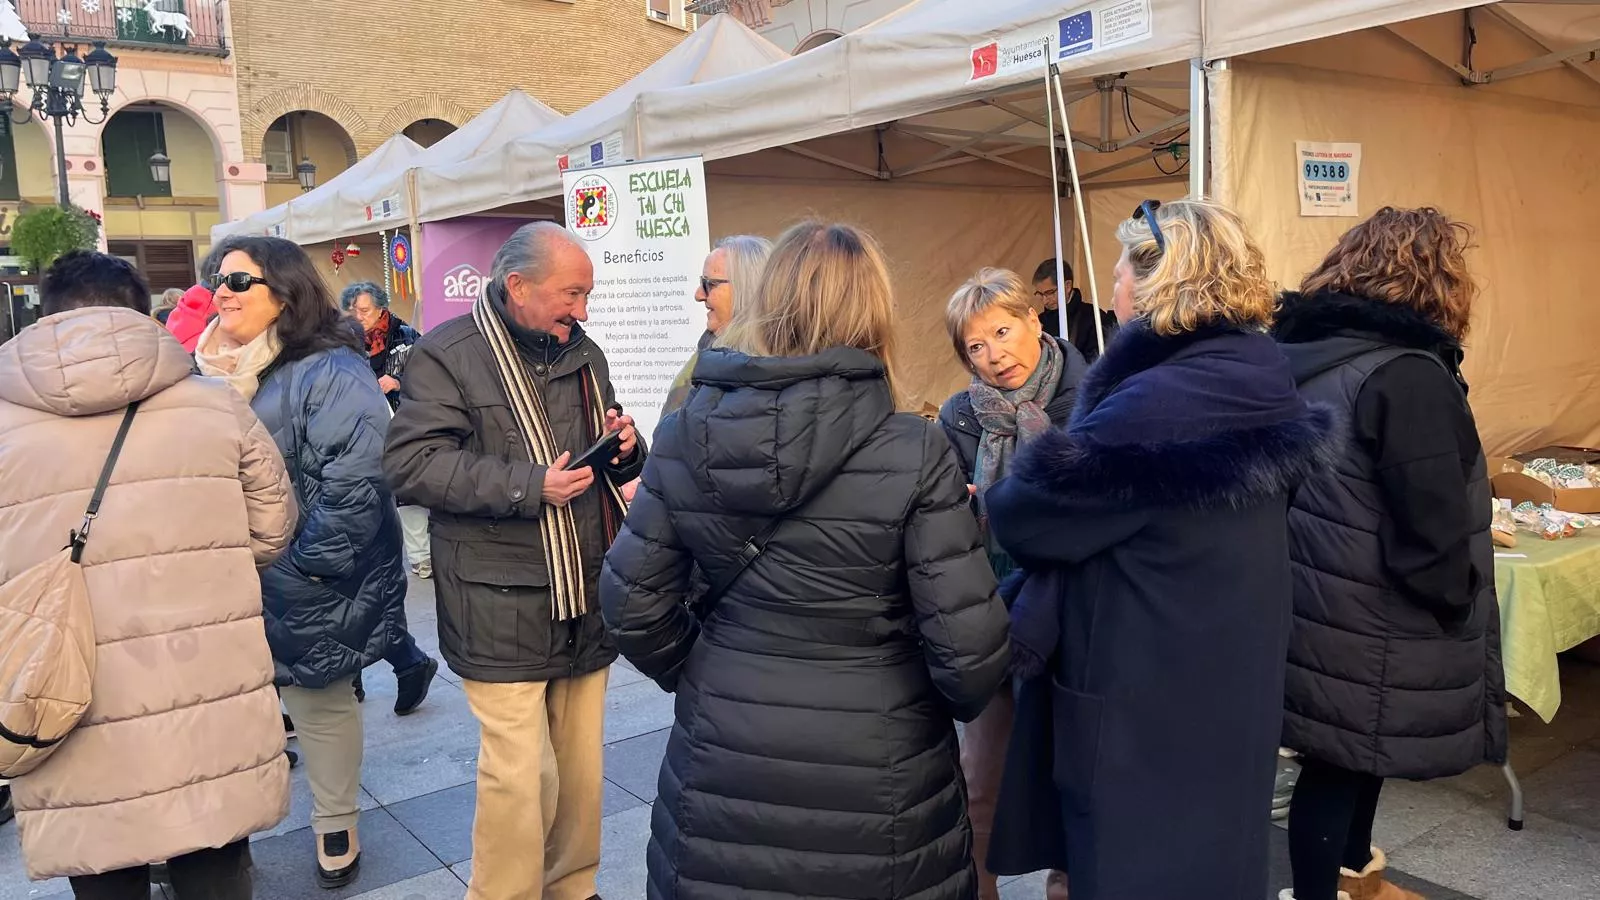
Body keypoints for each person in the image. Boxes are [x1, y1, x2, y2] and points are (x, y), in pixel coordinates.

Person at [600, 221, 1011, 900]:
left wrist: (711, 668)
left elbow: (630, 603)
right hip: (882, 778)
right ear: (876, 311)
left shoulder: (684, 431)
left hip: (723, 765)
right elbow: (971, 662)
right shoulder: (914, 448)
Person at [985, 200, 1334, 900]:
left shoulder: (1159, 402)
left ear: (1156, 281)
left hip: (1147, 700)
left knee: (1138, 869)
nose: (1110, 282)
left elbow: (1025, 515)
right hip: (1226, 682)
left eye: (1118, 266)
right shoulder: (1256, 370)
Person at [0, 251, 295, 896]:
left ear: (45, 316)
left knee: (102, 863)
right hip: (206, 683)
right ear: (139, 314)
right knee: (214, 864)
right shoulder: (216, 406)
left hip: (64, 690)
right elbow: (273, 528)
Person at [384, 221, 643, 900]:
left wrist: (623, 445)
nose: (582, 311)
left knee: (582, 769)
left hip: (582, 586)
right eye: (572, 294)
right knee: (520, 773)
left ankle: (573, 888)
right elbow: (411, 467)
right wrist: (532, 486)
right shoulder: (444, 355)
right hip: (496, 595)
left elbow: (603, 451)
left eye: (586, 296)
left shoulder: (582, 352)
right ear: (517, 285)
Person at [1273, 207, 1507, 900]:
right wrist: (1457, 591)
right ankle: (1323, 892)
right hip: (1374, 612)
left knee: (1343, 750)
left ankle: (1352, 878)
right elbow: (1429, 516)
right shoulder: (1408, 375)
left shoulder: (1299, 355)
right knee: (1340, 762)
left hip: (1313, 600)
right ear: (1438, 284)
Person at [195, 236, 407, 890]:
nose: (221, 292)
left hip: (305, 566)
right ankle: (221, 837)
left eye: (237, 281)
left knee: (317, 695)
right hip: (221, 572)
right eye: (217, 281)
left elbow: (358, 476)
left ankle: (336, 821)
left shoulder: (330, 367)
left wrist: (307, 563)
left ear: (284, 294)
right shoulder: (198, 369)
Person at [936, 267, 1085, 900]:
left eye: (1003, 331)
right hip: (993, 608)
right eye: (976, 345)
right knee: (981, 777)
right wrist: (958, 507)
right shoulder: (959, 417)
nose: (995, 355)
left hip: (1076, 612)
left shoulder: (1093, 397)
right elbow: (939, 526)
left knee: (1076, 776)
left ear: (1035, 319)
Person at [332, 281, 440, 714]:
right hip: (351, 477)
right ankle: (384, 668)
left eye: (363, 310)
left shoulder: (403, 341)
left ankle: (392, 665)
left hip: (369, 469)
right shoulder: (340, 356)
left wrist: (395, 383)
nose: (358, 316)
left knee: (356, 587)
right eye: (351, 310)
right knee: (351, 590)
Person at [660, 234, 772, 418]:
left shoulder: (786, 368)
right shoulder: (707, 355)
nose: (698, 295)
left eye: (709, 284)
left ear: (748, 287)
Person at [1031, 258, 1117, 363]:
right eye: (1040, 294)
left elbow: (1098, 365)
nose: (1045, 301)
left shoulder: (1094, 318)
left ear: (1067, 286)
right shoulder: (1039, 322)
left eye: (1050, 292)